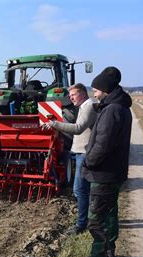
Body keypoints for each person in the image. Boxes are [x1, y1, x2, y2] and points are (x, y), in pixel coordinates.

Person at [82, 66, 132, 257]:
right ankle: (110, 253)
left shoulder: (111, 110)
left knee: (95, 221)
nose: (93, 92)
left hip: (103, 173)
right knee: (109, 214)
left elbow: (103, 144)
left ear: (106, 89)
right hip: (113, 172)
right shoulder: (120, 107)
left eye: (96, 89)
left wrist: (88, 161)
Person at [42, 83, 97, 235]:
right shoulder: (84, 106)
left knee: (80, 189)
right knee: (82, 189)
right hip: (80, 152)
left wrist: (55, 124)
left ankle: (82, 224)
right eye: (70, 96)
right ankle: (87, 219)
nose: (71, 98)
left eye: (73, 95)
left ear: (83, 94)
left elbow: (78, 128)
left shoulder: (89, 106)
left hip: (84, 153)